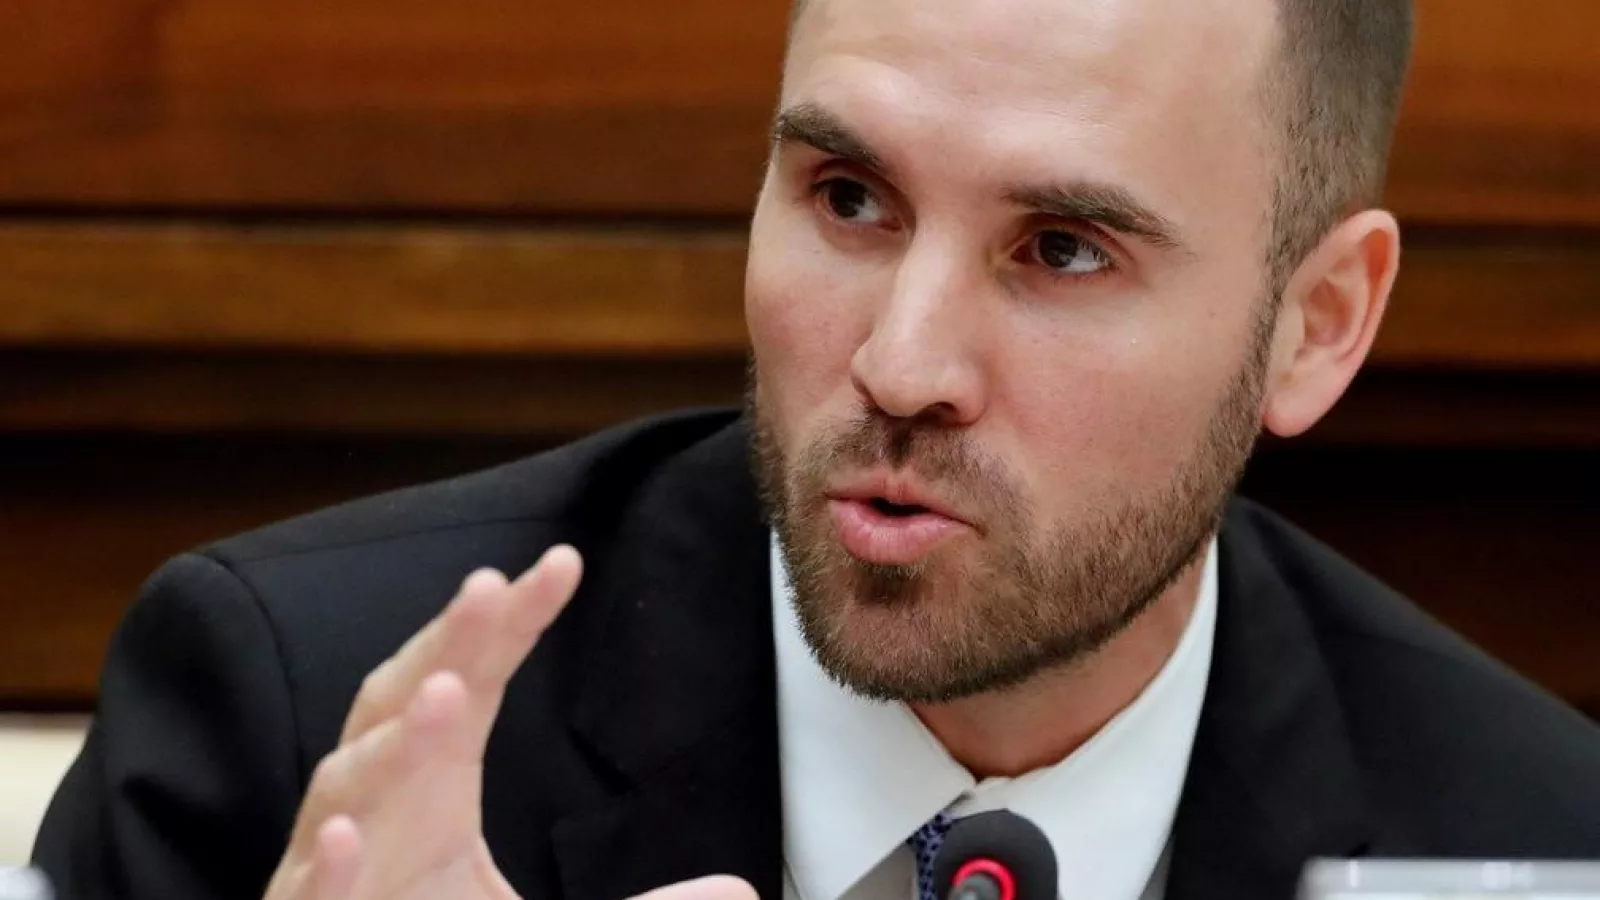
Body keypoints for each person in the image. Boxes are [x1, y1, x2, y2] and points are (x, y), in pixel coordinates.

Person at [33, 0, 1600, 898]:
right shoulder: (293, 728)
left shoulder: (1538, 843)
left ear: (1317, 324)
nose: (900, 365)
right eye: (850, 200)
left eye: (1062, 250)